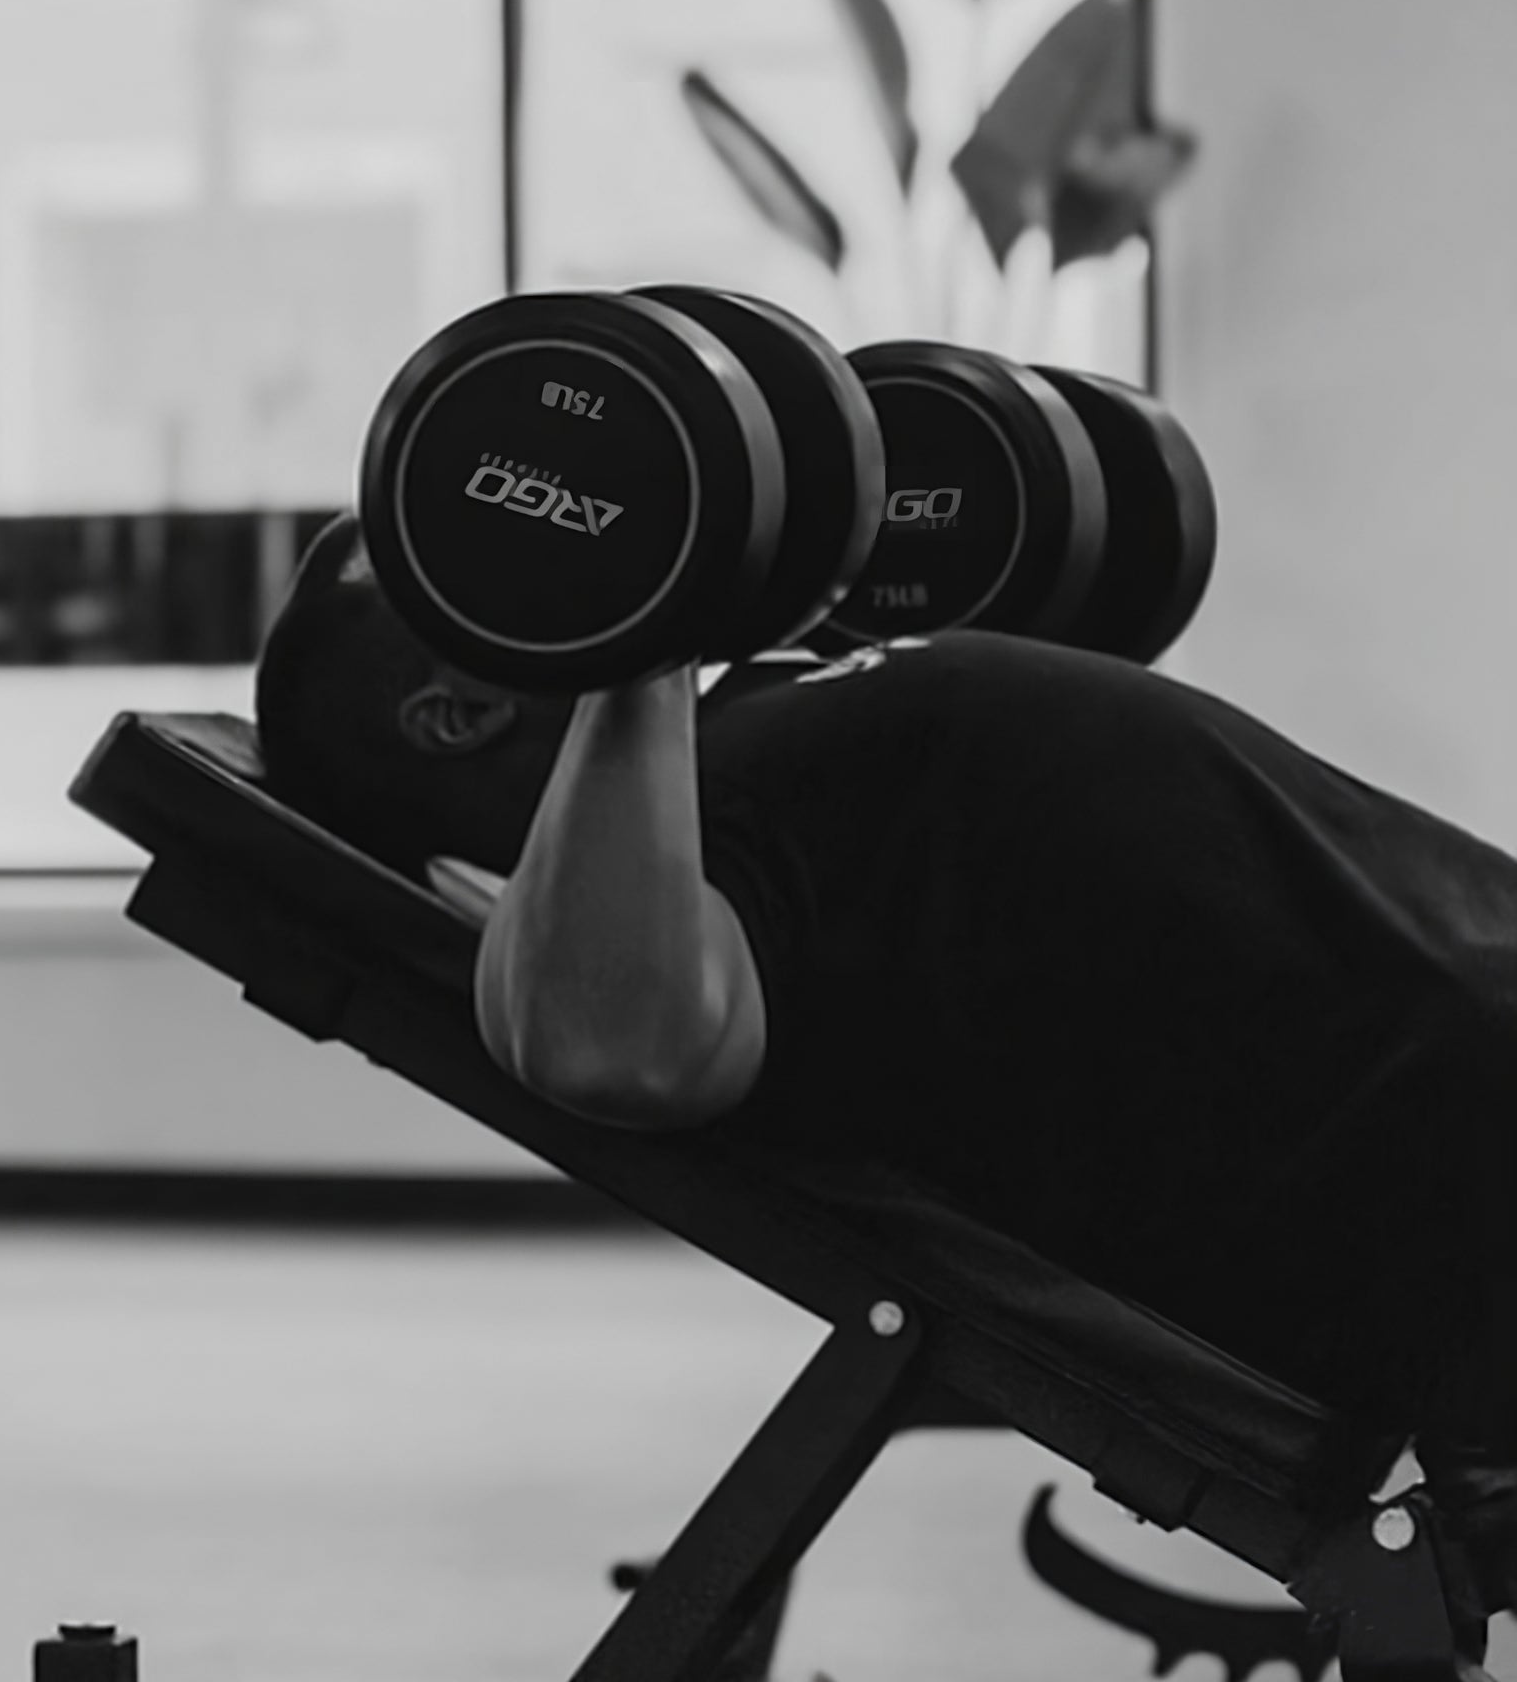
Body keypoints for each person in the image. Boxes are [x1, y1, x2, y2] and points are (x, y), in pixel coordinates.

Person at [253, 514, 1517, 1641]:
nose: (572, 539)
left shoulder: (749, 724)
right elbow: (613, 1044)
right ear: (456, 712)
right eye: (487, 567)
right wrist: (638, 635)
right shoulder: (657, 898)